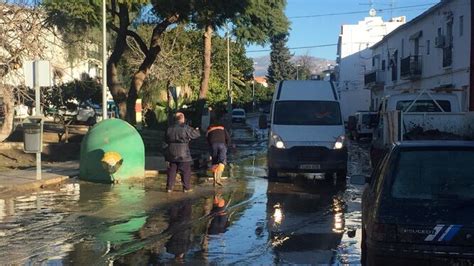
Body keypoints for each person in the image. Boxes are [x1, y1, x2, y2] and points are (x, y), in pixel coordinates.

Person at [165, 112, 200, 192]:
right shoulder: (186, 128)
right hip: (183, 152)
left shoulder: (169, 128)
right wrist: (197, 130)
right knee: (186, 171)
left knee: (172, 170)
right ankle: (186, 188)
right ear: (182, 118)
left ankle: (169, 188)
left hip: (171, 152)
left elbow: (165, 139)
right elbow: (195, 135)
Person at [206, 119, 230, 186]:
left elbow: (207, 139)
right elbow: (228, 138)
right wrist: (226, 146)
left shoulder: (209, 129)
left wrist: (210, 148)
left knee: (214, 162)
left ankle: (214, 180)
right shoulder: (222, 128)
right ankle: (218, 179)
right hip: (222, 145)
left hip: (213, 145)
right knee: (222, 162)